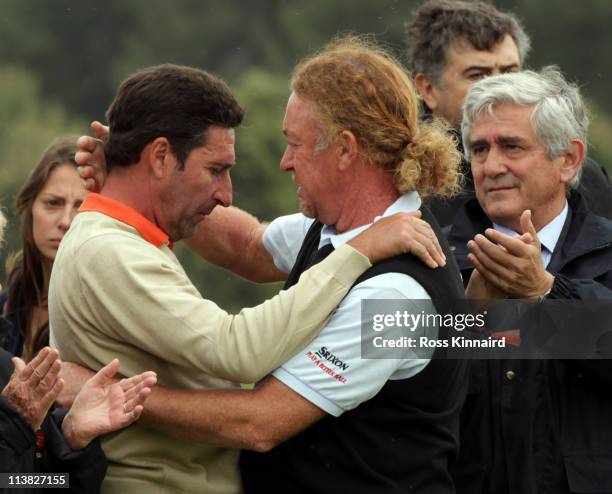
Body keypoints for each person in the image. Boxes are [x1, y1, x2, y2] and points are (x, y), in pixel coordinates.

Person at [74, 36, 468, 494]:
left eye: (295, 144)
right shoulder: (335, 230)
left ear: (345, 150)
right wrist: (141, 183)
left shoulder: (395, 296)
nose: (285, 163)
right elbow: (246, 244)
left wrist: (110, 396)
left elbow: (259, 423)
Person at [446, 68, 612, 493]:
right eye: (479, 149)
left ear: (569, 159)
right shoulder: (434, 258)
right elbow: (400, 390)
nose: (491, 166)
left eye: (512, 146)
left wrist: (545, 293)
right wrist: (470, 321)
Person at [405, 0, 612, 226]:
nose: (496, 85)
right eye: (477, 75)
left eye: (509, 72)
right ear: (428, 89)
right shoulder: (403, 181)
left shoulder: (576, 174)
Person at [0, 204, 157, 493]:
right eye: (53, 203)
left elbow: (35, 482)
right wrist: (16, 426)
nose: (66, 221)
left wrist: (70, 438)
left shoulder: (6, 369)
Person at [1, 136, 87, 359]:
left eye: (82, 207)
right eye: (53, 203)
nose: (66, 221)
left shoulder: (102, 312)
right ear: (30, 208)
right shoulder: (7, 303)